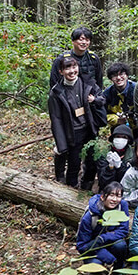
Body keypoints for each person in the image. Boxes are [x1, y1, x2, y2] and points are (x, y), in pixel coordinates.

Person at [48, 55, 105, 189]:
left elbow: (102, 98)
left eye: (74, 67)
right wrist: (61, 144)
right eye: (67, 68)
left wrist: (94, 100)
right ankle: (71, 187)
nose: (72, 71)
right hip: (73, 131)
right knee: (74, 161)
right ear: (61, 71)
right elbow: (56, 119)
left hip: (90, 127)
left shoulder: (88, 83)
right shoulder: (56, 92)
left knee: (92, 159)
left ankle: (87, 184)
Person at [76, 181, 130, 275]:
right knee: (96, 265)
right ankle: (95, 274)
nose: (115, 200)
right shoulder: (90, 216)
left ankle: (117, 271)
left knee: (120, 245)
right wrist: (106, 256)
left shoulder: (122, 206)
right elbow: (82, 246)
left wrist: (103, 238)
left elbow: (123, 230)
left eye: (118, 196)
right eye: (111, 195)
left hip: (109, 242)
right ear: (102, 197)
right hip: (93, 246)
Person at [49, 26, 103, 91]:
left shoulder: (94, 58)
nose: (84, 42)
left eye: (87, 40)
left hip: (89, 96)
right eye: (81, 39)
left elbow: (99, 80)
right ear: (73, 41)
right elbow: (54, 81)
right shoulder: (62, 59)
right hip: (68, 96)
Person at [102, 62, 137, 133]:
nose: (118, 78)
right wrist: (116, 120)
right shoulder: (107, 93)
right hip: (118, 128)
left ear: (127, 75)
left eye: (121, 74)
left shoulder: (137, 89)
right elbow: (102, 114)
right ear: (111, 79)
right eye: (114, 75)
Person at [96, 124, 133, 189]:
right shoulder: (104, 153)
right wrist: (110, 167)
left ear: (128, 140)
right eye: (118, 136)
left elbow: (130, 179)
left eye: (124, 137)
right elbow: (102, 180)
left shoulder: (133, 155)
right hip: (107, 188)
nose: (120, 139)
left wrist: (120, 166)